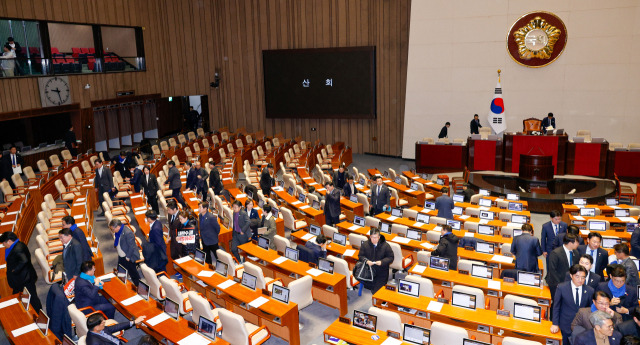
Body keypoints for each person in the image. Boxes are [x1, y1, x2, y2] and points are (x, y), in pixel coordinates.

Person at [550, 264, 594, 344]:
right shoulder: (561, 287)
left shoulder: (590, 290)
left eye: (583, 277)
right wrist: (555, 323)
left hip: (581, 327)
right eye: (577, 276)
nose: (580, 279)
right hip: (565, 324)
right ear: (571, 275)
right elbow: (556, 306)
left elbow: (591, 309)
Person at [0, 231, 42, 312]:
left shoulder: (18, 249)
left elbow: (24, 260)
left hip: (25, 279)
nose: (3, 245)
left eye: (4, 243)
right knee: (18, 296)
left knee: (33, 299)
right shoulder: (18, 244)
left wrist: (14, 270)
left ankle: (39, 314)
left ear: (9, 241)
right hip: (22, 278)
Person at [358, 228, 394, 293]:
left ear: (379, 237)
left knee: (377, 292)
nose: (374, 239)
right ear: (370, 236)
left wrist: (382, 262)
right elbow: (360, 256)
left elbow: (391, 257)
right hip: (369, 271)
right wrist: (366, 261)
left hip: (381, 272)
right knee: (369, 287)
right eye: (372, 237)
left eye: (376, 237)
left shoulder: (385, 245)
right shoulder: (365, 244)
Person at [546, 233, 580, 300]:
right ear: (570, 243)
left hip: (569, 282)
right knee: (556, 301)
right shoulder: (555, 253)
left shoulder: (576, 253)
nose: (578, 244)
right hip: (556, 282)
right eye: (577, 242)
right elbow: (552, 270)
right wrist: (559, 284)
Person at [108, 219, 141, 286]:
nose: (113, 231)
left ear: (118, 227)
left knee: (133, 273)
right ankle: (121, 286)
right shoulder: (118, 231)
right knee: (120, 272)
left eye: (113, 229)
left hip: (128, 256)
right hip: (121, 255)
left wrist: (128, 257)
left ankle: (139, 287)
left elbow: (131, 247)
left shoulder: (128, 232)